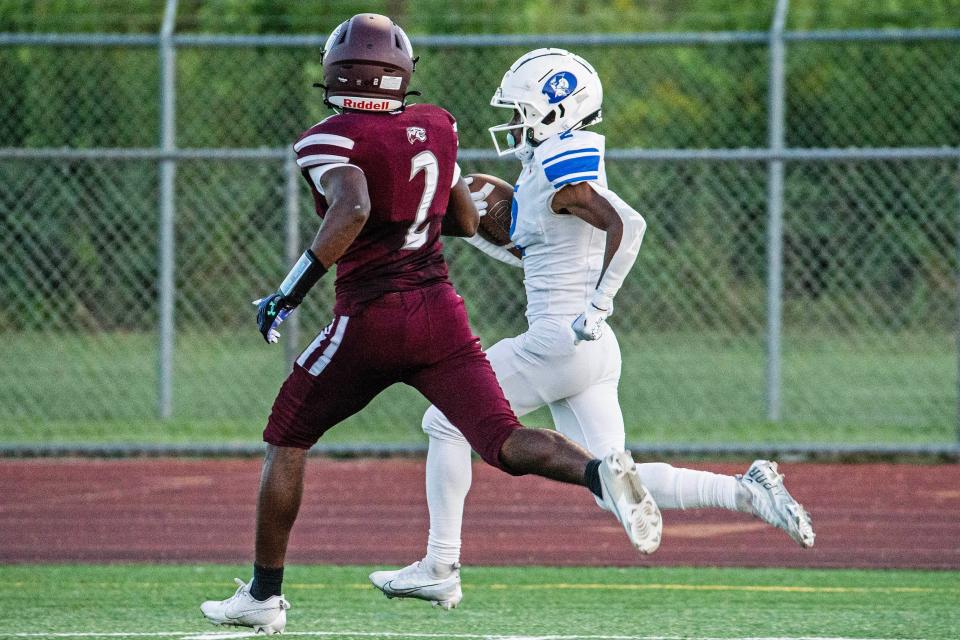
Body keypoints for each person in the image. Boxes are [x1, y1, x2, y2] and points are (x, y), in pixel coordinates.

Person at [199, 17, 662, 635]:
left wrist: (288, 292)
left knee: (288, 436)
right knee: (500, 437)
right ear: (401, 75)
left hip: (369, 318)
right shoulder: (436, 126)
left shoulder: (324, 138)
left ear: (336, 73)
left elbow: (354, 205)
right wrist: (420, 217)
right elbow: (465, 222)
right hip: (439, 313)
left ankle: (263, 596)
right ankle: (600, 473)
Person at [369, 48, 816, 610]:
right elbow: (533, 251)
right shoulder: (541, 167)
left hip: (561, 340)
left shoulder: (563, 154)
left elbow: (628, 224)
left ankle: (440, 564)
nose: (512, 121)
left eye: (521, 109)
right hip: (592, 352)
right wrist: (472, 218)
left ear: (557, 110)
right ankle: (749, 493)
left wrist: (600, 302)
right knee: (611, 482)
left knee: (445, 422)